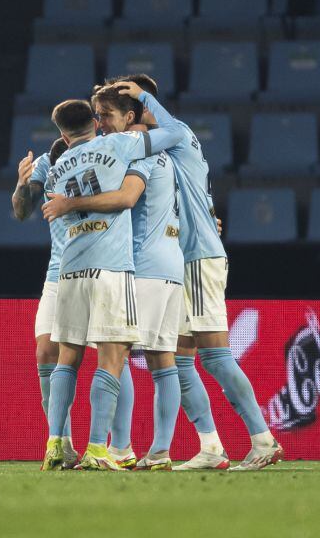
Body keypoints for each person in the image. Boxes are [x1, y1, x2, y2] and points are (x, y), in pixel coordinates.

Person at [113, 79, 284, 471]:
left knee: (217, 356)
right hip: (177, 261)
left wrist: (139, 95)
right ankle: (210, 446)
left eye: (126, 105)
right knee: (181, 361)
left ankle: (263, 440)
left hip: (198, 260)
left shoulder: (177, 134)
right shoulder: (160, 152)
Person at [43, 82, 184, 471]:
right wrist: (145, 103)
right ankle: (98, 449)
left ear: (62, 133)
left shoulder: (57, 167)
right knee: (113, 357)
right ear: (93, 121)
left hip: (71, 268)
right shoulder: (118, 147)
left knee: (66, 359)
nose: (104, 120)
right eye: (100, 115)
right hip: (111, 267)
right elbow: (175, 134)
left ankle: (56, 443)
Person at [10, 138, 81, 468]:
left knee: (112, 355)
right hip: (57, 274)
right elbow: (22, 211)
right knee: (45, 352)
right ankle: (60, 442)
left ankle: (115, 446)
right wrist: (22, 184)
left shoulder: (108, 154)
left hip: (103, 269)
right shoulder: (48, 159)